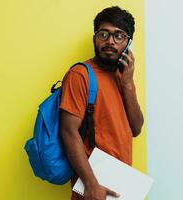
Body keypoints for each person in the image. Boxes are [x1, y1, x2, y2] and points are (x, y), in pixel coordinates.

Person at [60, 6, 144, 200]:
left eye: (119, 36)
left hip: (121, 182)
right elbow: (68, 131)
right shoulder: (80, 75)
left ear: (128, 44)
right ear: (95, 38)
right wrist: (91, 184)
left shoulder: (124, 77)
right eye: (104, 34)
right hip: (93, 184)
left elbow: (136, 128)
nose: (110, 42)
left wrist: (128, 84)